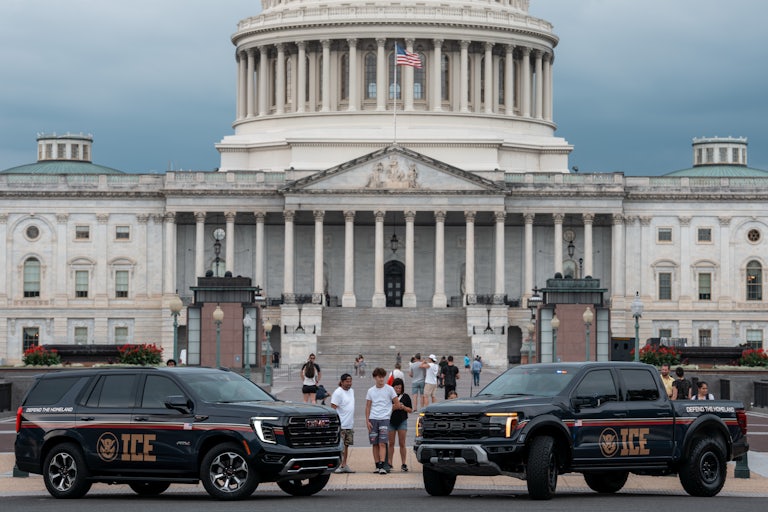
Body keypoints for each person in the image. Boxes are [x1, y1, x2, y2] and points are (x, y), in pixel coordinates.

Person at [365, 367, 400, 474]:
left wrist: (389, 410)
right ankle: (377, 465)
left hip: (384, 419)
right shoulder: (370, 391)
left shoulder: (390, 389)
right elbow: (368, 406)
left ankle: (382, 465)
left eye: (382, 377)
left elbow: (397, 403)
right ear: (375, 377)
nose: (381, 379)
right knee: (374, 443)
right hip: (373, 418)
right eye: (379, 377)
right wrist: (367, 421)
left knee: (382, 443)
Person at [331, 373, 356, 473]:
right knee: (339, 447)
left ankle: (344, 464)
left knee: (346, 445)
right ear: (342, 382)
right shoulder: (338, 393)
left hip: (349, 424)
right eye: (347, 381)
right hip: (341, 424)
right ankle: (337, 465)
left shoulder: (352, 391)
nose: (349, 383)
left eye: (350, 381)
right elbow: (333, 408)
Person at [387, 378, 413, 472]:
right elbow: (385, 409)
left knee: (402, 443)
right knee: (391, 443)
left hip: (402, 421)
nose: (398, 390)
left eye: (400, 388)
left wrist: (403, 407)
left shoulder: (405, 397)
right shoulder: (389, 397)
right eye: (396, 388)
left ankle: (403, 463)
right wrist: (393, 408)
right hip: (391, 421)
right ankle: (389, 462)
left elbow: (410, 410)